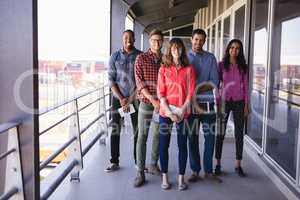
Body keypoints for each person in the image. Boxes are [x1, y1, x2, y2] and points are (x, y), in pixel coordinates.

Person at [157, 38, 196, 191]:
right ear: (169, 50)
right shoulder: (163, 69)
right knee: (163, 145)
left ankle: (181, 178)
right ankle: (165, 177)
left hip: (183, 112)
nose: (176, 51)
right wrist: (169, 112)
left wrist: (181, 110)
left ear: (182, 50)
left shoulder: (189, 69)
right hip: (166, 111)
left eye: (179, 48)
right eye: (173, 48)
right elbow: (161, 93)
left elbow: (191, 93)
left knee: (182, 145)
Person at [187, 29, 221, 183]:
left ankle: (208, 171)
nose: (198, 43)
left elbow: (214, 82)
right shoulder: (184, 57)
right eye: (196, 40)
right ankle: (195, 170)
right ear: (191, 39)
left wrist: (195, 89)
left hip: (207, 104)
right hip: (190, 105)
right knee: (192, 138)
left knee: (210, 138)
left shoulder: (211, 58)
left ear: (205, 41)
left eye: (201, 40)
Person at [105, 30, 142, 172]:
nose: (128, 40)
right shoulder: (114, 56)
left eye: (131, 37)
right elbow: (110, 79)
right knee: (115, 129)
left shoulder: (140, 55)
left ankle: (138, 161)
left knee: (137, 130)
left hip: (135, 99)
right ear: (122, 39)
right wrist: (121, 98)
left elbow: (141, 80)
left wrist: (130, 98)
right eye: (126, 37)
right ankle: (114, 161)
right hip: (118, 99)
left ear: (134, 39)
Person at [215, 39, 249, 177]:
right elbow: (216, 85)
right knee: (220, 133)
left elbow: (246, 87)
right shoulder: (221, 65)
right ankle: (217, 164)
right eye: (232, 48)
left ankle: (238, 165)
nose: (234, 50)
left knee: (239, 134)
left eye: (237, 48)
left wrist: (246, 105)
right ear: (228, 49)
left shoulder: (243, 67)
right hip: (224, 102)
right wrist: (217, 102)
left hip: (239, 102)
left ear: (240, 51)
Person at [133, 29, 164, 187]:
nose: (156, 43)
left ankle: (153, 165)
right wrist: (153, 100)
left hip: (162, 104)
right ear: (149, 41)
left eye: (159, 40)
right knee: (142, 136)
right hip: (147, 101)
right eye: (153, 40)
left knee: (158, 135)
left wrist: (162, 102)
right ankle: (140, 171)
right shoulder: (141, 58)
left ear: (162, 41)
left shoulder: (166, 59)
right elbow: (139, 83)